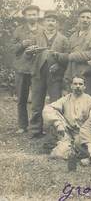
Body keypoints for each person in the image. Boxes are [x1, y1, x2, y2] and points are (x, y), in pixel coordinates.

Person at [28, 10, 69, 138]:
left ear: (57, 24)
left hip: (55, 75)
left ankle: (56, 131)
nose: (50, 23)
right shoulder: (36, 37)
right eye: (48, 20)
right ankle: (35, 130)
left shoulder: (63, 39)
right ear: (43, 22)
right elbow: (28, 55)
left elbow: (67, 57)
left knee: (55, 103)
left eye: (53, 21)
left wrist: (59, 65)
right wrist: (29, 52)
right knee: (36, 103)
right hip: (38, 74)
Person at [42, 76, 91, 159]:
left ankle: (75, 150)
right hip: (67, 132)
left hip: (83, 134)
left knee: (85, 148)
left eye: (80, 84)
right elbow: (48, 108)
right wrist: (58, 123)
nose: (78, 86)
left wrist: (85, 135)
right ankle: (68, 148)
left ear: (84, 87)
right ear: (71, 86)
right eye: (75, 84)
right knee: (58, 154)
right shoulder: (66, 99)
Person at [11, 5, 41, 134]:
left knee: (37, 98)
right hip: (22, 68)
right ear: (25, 16)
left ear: (38, 15)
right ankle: (22, 125)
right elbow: (11, 48)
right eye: (29, 15)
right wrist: (22, 45)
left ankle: (36, 126)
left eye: (34, 14)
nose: (32, 17)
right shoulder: (19, 30)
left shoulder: (43, 30)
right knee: (22, 98)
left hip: (37, 68)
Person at [60, 7, 91, 97]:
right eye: (83, 17)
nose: (85, 20)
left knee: (86, 103)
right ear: (78, 19)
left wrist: (71, 56)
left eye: (88, 18)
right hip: (72, 74)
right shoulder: (73, 36)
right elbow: (68, 52)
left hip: (87, 74)